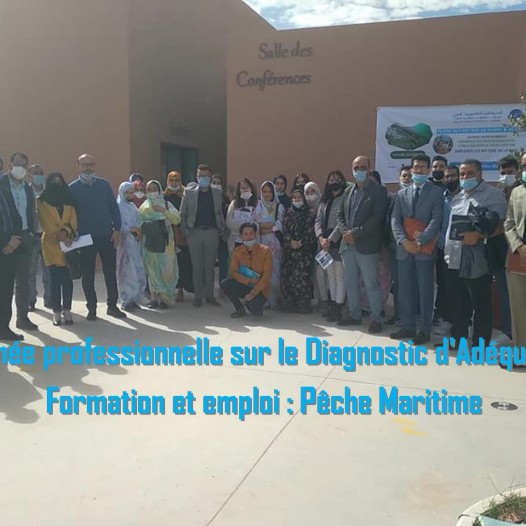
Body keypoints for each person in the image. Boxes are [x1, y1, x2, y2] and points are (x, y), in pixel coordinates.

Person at [444, 159, 507, 348]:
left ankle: (480, 344)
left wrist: (478, 235)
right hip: (454, 256)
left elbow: (502, 225)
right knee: (458, 302)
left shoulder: (493, 195)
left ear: (480, 174)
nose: (465, 177)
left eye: (470, 173)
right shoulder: (458, 197)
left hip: (478, 258)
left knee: (480, 303)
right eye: (462, 174)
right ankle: (458, 339)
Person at [391, 154, 444, 344]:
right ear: (411, 169)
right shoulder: (401, 194)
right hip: (404, 250)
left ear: (428, 170)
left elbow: (436, 220)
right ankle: (407, 326)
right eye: (416, 167)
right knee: (405, 290)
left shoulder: (436, 193)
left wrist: (421, 240)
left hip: (425, 249)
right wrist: (403, 241)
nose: (419, 170)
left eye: (423, 167)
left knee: (425, 291)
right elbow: (395, 220)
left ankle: (424, 330)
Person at [69, 153, 125, 320]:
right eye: (85, 164)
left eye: (91, 164)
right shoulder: (72, 188)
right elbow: (69, 214)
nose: (89, 168)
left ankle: (112, 306)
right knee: (88, 274)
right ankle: (91, 308)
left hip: (106, 235)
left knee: (110, 272)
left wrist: (117, 229)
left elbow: (114, 208)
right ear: (78, 166)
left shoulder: (103, 185)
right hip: (85, 238)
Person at [337, 155, 387, 334]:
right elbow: (340, 215)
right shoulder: (348, 191)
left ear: (369, 168)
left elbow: (377, 218)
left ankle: (376, 318)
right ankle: (354, 315)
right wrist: (345, 232)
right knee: (351, 282)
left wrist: (355, 233)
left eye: (362, 167)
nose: (359, 171)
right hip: (348, 245)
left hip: (367, 245)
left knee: (371, 284)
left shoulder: (378, 191)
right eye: (356, 167)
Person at [0, 152, 39, 331]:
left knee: (24, 282)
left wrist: (31, 233)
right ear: (9, 165)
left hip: (25, 237)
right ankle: (3, 325)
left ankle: (22, 318)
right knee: (5, 284)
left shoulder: (28, 189)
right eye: (17, 164)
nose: (20, 168)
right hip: (7, 239)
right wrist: (8, 238)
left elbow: (30, 212)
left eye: (24, 165)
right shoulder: (2, 185)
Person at [180, 164, 226, 307]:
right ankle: (198, 296)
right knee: (197, 267)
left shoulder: (217, 193)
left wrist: (221, 229)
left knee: (210, 266)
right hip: (194, 233)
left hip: (212, 232)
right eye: (200, 176)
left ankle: (209, 295)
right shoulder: (189, 192)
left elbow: (220, 212)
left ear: (210, 177)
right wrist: (186, 232)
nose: (203, 178)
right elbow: (183, 213)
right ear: (196, 177)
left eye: (205, 176)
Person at [37, 172, 77, 326]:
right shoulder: (41, 200)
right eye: (53, 182)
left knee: (67, 280)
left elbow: (73, 219)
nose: (57, 185)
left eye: (59, 182)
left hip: (68, 243)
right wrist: (58, 234)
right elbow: (44, 221)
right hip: (51, 244)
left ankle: (67, 309)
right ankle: (56, 312)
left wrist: (66, 232)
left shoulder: (69, 199)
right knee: (54, 280)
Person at [138, 180, 180, 308]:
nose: (152, 192)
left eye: (154, 189)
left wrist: (163, 211)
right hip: (150, 243)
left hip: (166, 244)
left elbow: (176, 219)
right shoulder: (144, 207)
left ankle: (165, 298)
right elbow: (139, 222)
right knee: (152, 270)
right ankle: (154, 298)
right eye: (149, 190)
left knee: (166, 269)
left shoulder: (167, 204)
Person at [434, 164, 464, 338]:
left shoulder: (465, 197)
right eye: (447, 176)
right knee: (444, 287)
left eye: (453, 176)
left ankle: (460, 324)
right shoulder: (441, 198)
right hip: (441, 249)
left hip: (460, 251)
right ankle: (447, 321)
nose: (450, 179)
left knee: (458, 289)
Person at [221, 222, 273, 318]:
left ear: (255, 234)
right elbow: (233, 272)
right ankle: (239, 309)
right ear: (241, 236)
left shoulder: (266, 251)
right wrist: (247, 280)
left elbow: (266, 277)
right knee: (226, 283)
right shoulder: (237, 251)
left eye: (251, 233)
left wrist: (253, 293)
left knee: (254, 309)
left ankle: (258, 305)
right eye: (245, 234)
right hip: (245, 284)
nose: (249, 237)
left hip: (260, 288)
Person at [315, 170, 346, 322]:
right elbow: (318, 220)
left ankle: (339, 307)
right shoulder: (324, 200)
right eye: (331, 179)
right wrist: (321, 238)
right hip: (324, 244)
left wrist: (330, 239)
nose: (334, 181)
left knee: (339, 276)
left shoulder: (345, 198)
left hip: (337, 242)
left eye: (337, 179)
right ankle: (332, 304)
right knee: (330, 276)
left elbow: (342, 222)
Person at [281, 188, 317, 313]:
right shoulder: (288, 213)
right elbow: (284, 229)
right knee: (288, 275)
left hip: (304, 251)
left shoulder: (310, 214)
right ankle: (290, 303)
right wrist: (290, 241)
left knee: (302, 276)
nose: (297, 199)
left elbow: (311, 231)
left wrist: (301, 242)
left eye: (299, 197)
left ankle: (304, 304)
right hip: (289, 250)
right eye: (294, 197)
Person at [385, 166, 413, 326]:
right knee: (397, 283)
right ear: (399, 178)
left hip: (413, 247)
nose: (407, 179)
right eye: (404, 176)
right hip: (394, 247)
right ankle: (398, 314)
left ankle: (411, 315)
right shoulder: (393, 198)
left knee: (410, 283)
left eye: (410, 176)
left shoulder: (418, 197)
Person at [504, 152, 526, 348]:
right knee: (519, 310)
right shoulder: (517, 192)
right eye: (524, 166)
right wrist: (518, 245)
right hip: (519, 257)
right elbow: (509, 223)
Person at [252, 181, 285, 309]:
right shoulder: (257, 207)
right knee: (263, 271)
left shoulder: (279, 207)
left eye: (269, 192)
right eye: (264, 192)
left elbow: (279, 223)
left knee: (275, 271)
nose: (267, 194)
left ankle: (275, 299)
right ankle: (264, 299)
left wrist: (268, 227)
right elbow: (254, 223)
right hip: (261, 242)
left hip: (275, 244)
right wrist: (266, 226)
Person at [116, 182, 147, 312]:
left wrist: (139, 231)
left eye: (131, 192)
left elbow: (138, 221)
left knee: (137, 271)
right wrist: (129, 229)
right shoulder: (118, 206)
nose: (130, 195)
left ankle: (134, 298)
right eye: (127, 193)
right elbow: (116, 225)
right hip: (124, 244)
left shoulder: (133, 206)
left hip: (134, 243)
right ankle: (126, 300)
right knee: (126, 272)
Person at [164, 170, 193, 302]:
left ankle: (180, 289)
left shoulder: (185, 195)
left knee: (182, 262)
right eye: (171, 180)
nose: (174, 183)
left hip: (181, 233)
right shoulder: (163, 196)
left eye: (176, 180)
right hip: (167, 232)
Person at [27, 163, 52, 310]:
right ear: (29, 174)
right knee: (30, 272)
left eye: (41, 172)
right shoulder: (26, 191)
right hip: (32, 236)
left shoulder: (48, 191)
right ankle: (30, 301)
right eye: (35, 172)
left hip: (48, 236)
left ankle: (50, 300)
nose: (39, 175)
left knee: (49, 270)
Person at [0, 183, 23, 340]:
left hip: (8, 249)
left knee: (5, 291)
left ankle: (3, 328)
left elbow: (16, 217)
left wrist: (14, 239)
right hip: (4, 245)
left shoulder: (4, 191)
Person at [305, 181, 328, 312]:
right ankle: (319, 299)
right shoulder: (304, 208)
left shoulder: (323, 205)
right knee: (314, 275)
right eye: (307, 192)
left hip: (323, 245)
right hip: (308, 247)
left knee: (323, 273)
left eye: (312, 191)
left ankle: (326, 300)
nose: (310, 195)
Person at [226, 178, 258, 253]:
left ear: (251, 189)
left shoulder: (257, 204)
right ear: (239, 190)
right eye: (242, 188)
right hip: (237, 240)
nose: (245, 190)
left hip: (253, 240)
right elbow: (229, 221)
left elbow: (259, 221)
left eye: (247, 187)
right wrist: (242, 231)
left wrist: (249, 233)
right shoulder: (234, 204)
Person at [211, 174, 230, 290]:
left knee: (223, 262)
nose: (216, 185)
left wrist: (224, 232)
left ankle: (223, 288)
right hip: (210, 235)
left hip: (222, 236)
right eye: (214, 182)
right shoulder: (207, 198)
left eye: (218, 183)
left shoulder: (226, 200)